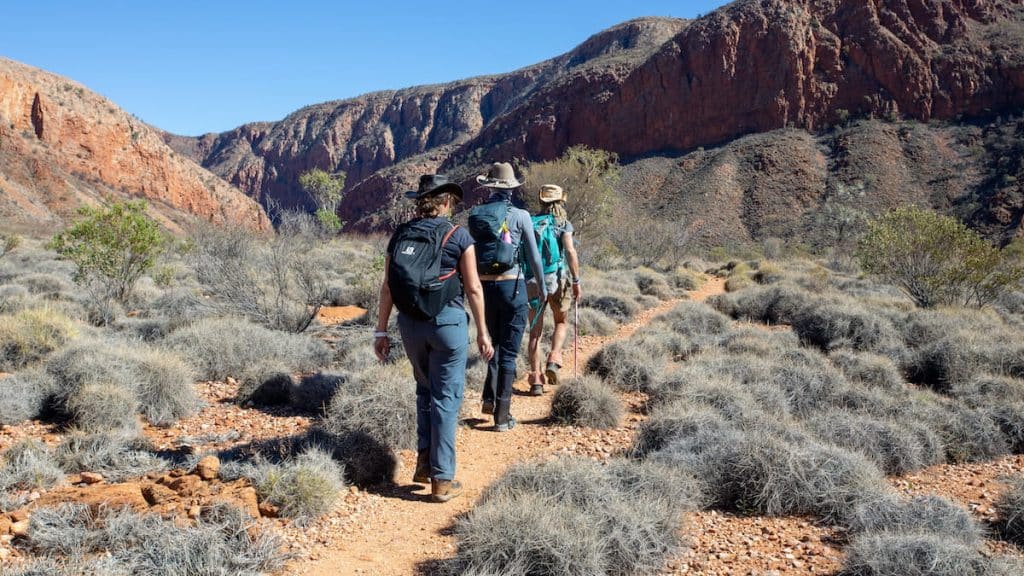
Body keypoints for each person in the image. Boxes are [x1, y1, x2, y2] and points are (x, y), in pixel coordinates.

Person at [374, 174, 494, 503]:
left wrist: (381, 329)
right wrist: (483, 330)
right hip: (447, 325)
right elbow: (473, 288)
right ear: (443, 203)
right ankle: (442, 480)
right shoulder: (458, 236)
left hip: (409, 325)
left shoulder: (401, 234)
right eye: (451, 202)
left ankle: (424, 462)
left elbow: (387, 287)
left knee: (424, 391)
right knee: (446, 400)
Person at [468, 162, 546, 431]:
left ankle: (488, 398)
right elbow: (534, 256)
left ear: (489, 187)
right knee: (509, 353)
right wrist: (543, 287)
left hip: (484, 288)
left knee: (493, 345)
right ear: (511, 189)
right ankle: (502, 416)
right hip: (513, 287)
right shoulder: (521, 215)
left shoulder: (476, 214)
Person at [525, 184, 582, 395]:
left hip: (532, 282)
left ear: (541, 201)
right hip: (558, 279)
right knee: (560, 321)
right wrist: (576, 281)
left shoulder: (530, 222)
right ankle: (554, 358)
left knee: (535, 332)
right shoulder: (563, 224)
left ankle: (536, 380)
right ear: (561, 202)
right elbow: (570, 251)